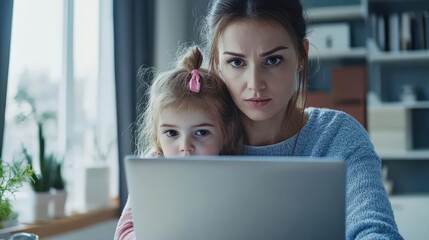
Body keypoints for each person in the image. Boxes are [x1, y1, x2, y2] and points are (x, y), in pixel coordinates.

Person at [201, 0, 403, 239]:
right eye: (236, 62)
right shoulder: (193, 138)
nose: (255, 83)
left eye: (273, 60)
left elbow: (374, 230)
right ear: (216, 62)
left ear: (301, 56)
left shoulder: (338, 136)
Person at [114, 46, 242, 240]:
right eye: (172, 133)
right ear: (157, 136)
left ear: (227, 132)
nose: (185, 146)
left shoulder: (239, 172)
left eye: (201, 132)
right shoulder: (151, 169)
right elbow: (124, 230)